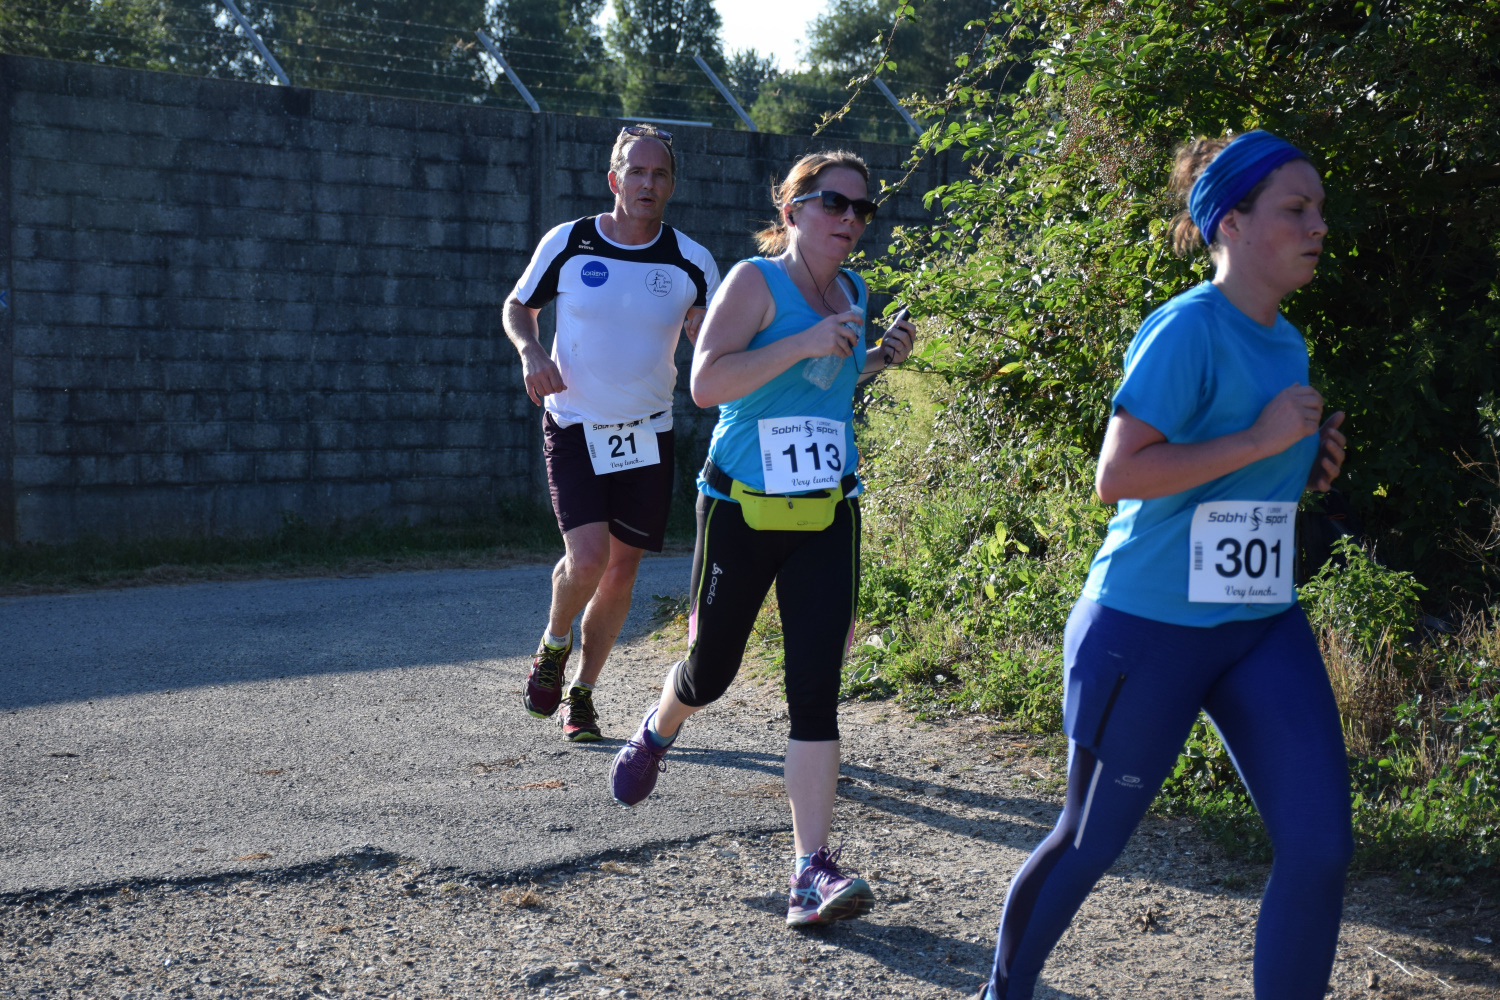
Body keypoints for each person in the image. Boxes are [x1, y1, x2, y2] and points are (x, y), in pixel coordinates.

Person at [973, 130, 1352, 999]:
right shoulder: (1187, 329)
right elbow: (1119, 475)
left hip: (1258, 623)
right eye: (1296, 209)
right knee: (1090, 840)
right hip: (1148, 627)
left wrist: (1302, 468)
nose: (1317, 226)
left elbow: (1234, 478)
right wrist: (1261, 440)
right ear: (1231, 223)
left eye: (1320, 209)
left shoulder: (1286, 341)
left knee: (1320, 846)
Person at [607, 149, 918, 929]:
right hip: (741, 509)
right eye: (834, 203)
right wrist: (807, 342)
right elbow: (707, 384)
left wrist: (874, 359)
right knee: (711, 672)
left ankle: (810, 869)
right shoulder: (754, 283)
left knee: (816, 691)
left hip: (826, 512)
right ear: (792, 210)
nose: (850, 219)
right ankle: (659, 728)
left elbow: (825, 383)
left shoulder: (855, 291)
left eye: (862, 209)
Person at [504, 125, 720, 742]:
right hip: (574, 423)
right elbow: (519, 306)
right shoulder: (570, 241)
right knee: (588, 558)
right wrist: (531, 353)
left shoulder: (692, 260)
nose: (648, 183)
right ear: (614, 180)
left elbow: (712, 333)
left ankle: (582, 695)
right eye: (637, 172)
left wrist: (703, 333)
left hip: (647, 433)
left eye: (660, 174)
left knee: (621, 572)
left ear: (671, 186)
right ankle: (554, 643)